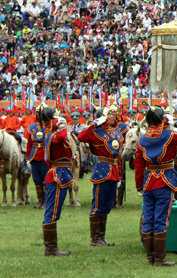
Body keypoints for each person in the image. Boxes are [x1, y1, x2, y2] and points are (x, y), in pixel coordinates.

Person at [134, 106, 177, 267]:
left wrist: (138, 186)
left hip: (148, 182)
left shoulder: (141, 139)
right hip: (164, 181)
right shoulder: (170, 135)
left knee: (148, 219)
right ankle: (160, 259)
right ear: (163, 120)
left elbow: (138, 164)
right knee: (161, 220)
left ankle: (150, 257)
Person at [78, 105, 123, 247]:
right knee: (98, 204)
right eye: (109, 114)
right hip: (102, 170)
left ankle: (102, 237)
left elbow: (119, 156)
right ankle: (95, 239)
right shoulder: (95, 132)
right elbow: (81, 137)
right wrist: (93, 124)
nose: (111, 117)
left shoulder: (116, 133)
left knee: (108, 205)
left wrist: (120, 174)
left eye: (113, 114)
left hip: (114, 170)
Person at [39, 104, 74, 256]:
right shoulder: (52, 134)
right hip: (56, 175)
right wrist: (63, 124)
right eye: (55, 118)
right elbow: (61, 137)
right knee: (51, 212)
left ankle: (52, 247)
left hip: (61, 172)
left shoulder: (53, 132)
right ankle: (51, 248)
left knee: (55, 211)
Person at [25, 116, 48, 209]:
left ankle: (46, 202)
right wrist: (27, 157)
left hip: (45, 156)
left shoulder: (49, 127)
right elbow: (29, 143)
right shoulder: (32, 127)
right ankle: (40, 201)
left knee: (46, 180)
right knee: (37, 180)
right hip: (34, 157)